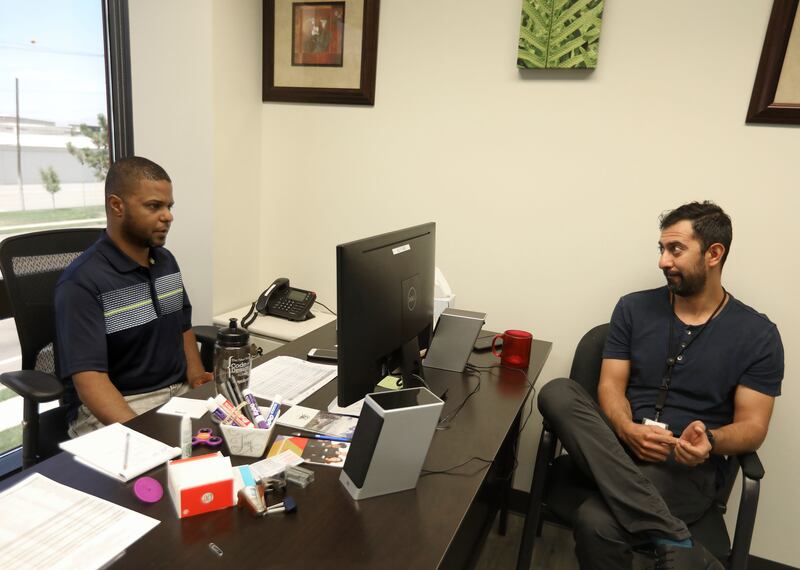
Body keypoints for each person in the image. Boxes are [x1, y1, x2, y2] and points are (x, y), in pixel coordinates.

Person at [538, 201, 783, 569]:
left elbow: (753, 427)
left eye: (676, 249)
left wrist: (710, 441)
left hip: (683, 469)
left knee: (596, 521)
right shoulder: (633, 308)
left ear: (714, 253)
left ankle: (663, 529)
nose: (663, 261)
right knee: (556, 390)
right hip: (616, 446)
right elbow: (610, 387)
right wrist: (626, 428)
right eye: (662, 249)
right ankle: (676, 538)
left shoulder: (758, 335)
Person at [55, 156, 212, 437]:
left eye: (169, 206)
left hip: (178, 394)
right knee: (164, 473)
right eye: (154, 206)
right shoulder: (81, 282)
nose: (168, 216)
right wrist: (142, 434)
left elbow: (182, 327)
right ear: (117, 206)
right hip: (121, 404)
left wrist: (197, 378)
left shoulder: (165, 261)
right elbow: (90, 381)